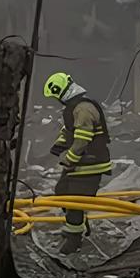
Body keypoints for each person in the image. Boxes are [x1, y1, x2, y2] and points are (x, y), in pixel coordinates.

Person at [43, 72, 112, 254]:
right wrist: (59, 146)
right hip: (82, 162)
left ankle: (74, 241)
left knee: (74, 200)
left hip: (91, 162)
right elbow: (69, 130)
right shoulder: (74, 109)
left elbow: (82, 139)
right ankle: (79, 223)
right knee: (62, 191)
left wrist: (69, 159)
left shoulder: (83, 109)